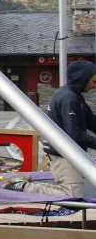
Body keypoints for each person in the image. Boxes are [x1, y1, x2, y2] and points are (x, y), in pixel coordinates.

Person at [5, 60, 96, 198]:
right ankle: (22, 187)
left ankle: (21, 184)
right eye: (94, 82)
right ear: (82, 79)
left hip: (66, 153)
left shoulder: (75, 96)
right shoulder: (68, 98)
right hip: (64, 154)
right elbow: (75, 135)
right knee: (73, 196)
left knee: (69, 191)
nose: (95, 86)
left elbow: (92, 122)